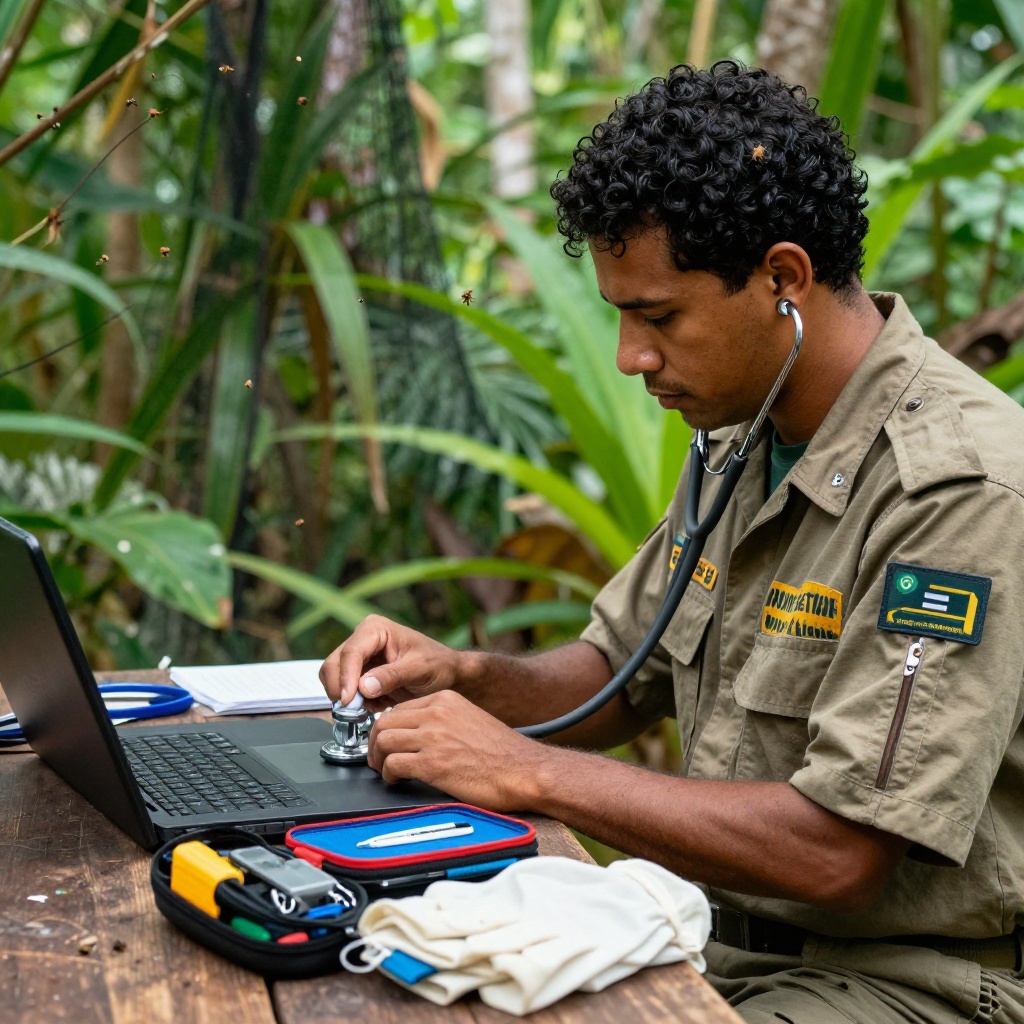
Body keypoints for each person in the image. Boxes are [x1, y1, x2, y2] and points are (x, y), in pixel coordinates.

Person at [320, 61, 1024, 1023]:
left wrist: (522, 768)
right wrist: (464, 682)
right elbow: (619, 668)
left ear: (783, 279)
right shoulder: (742, 434)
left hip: (903, 981)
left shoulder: (960, 489)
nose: (631, 358)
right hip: (699, 939)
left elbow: (841, 850)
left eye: (658, 317)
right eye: (621, 317)